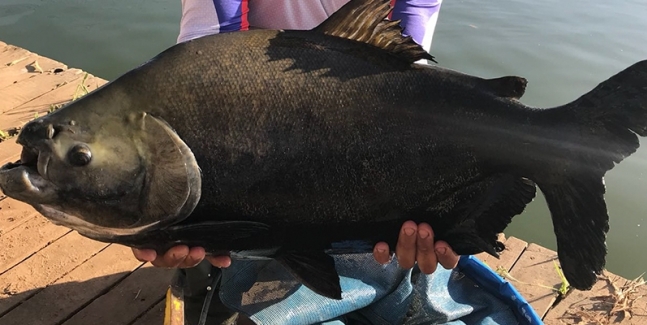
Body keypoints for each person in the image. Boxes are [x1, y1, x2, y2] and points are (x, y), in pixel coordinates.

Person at [131, 1, 524, 324]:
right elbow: (198, 81)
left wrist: (443, 214)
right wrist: (157, 211)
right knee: (206, 245)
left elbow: (405, 85)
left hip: (355, 139)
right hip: (249, 150)